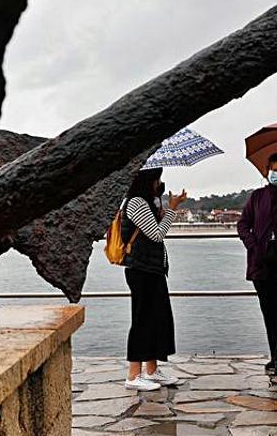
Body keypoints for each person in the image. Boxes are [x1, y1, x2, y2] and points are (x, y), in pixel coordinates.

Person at [120, 167, 188, 391]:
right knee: (142, 319)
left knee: (156, 318)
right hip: (141, 270)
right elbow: (157, 234)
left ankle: (151, 370)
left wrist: (162, 207)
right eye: (157, 179)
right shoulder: (136, 203)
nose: (160, 183)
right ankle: (133, 374)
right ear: (148, 180)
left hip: (152, 269)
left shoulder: (147, 202)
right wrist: (172, 209)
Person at [237, 152, 277, 375]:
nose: (276, 174)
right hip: (260, 260)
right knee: (268, 311)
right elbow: (243, 224)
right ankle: (275, 355)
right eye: (273, 169)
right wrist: (253, 245)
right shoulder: (257, 196)